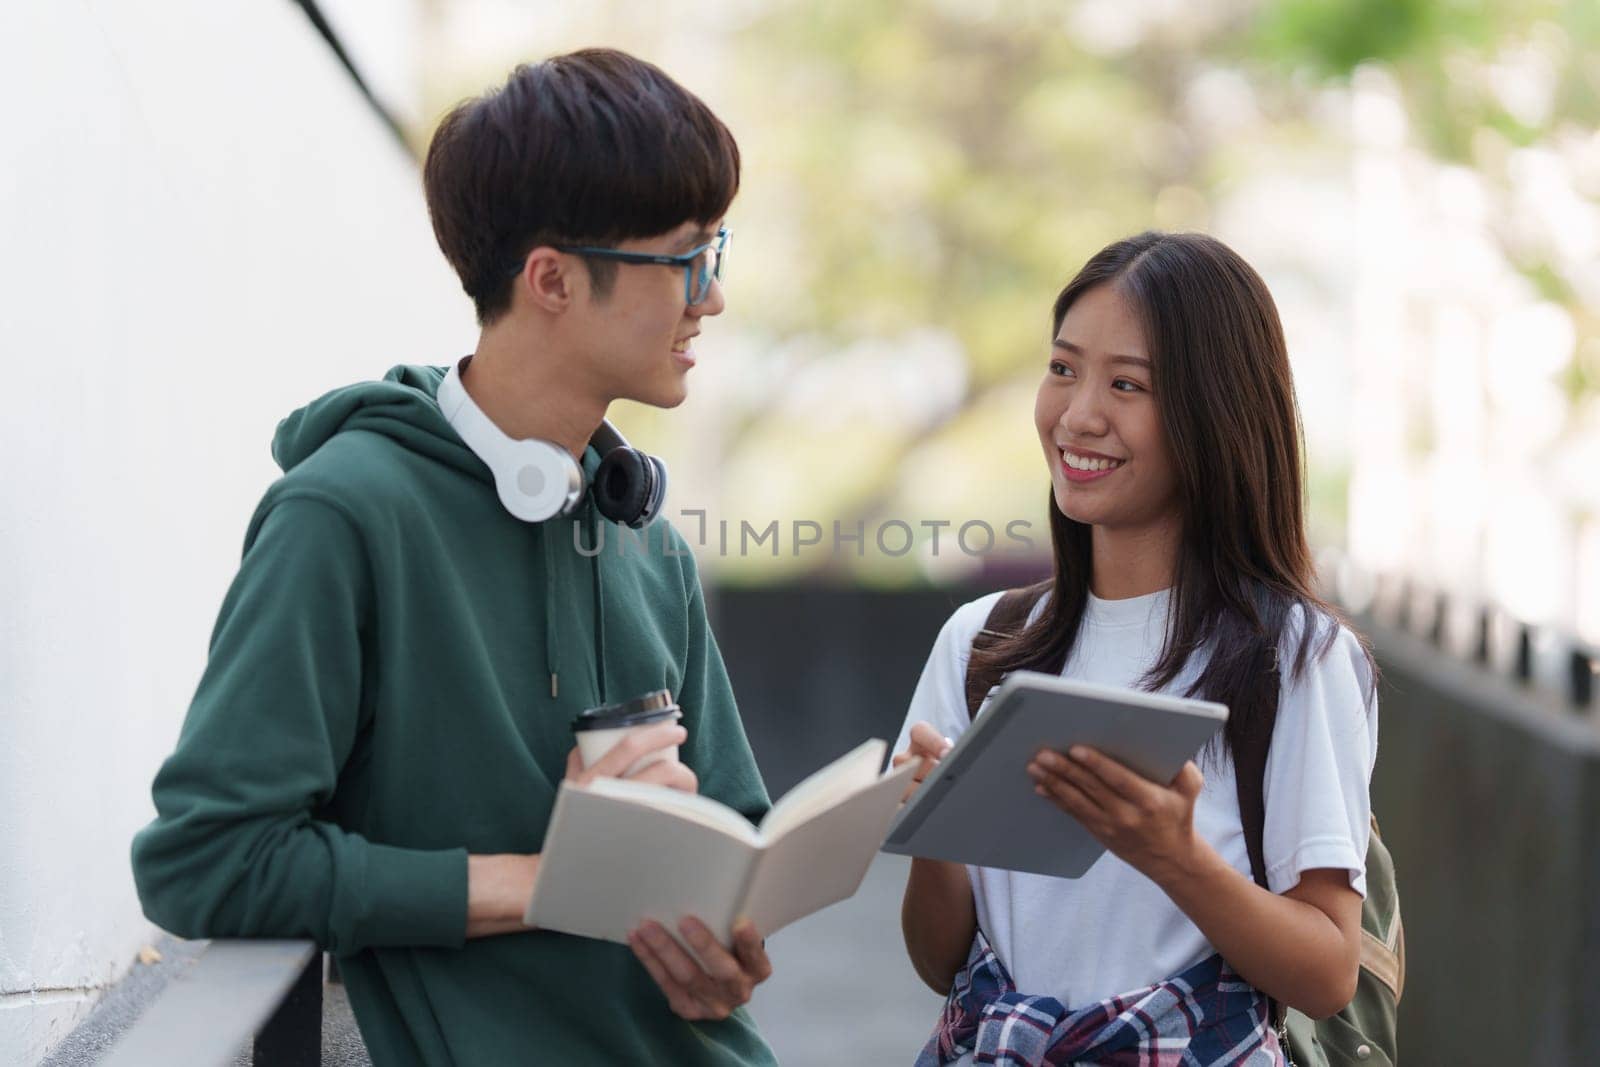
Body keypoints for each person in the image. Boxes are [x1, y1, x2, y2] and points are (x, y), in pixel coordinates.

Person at [131, 49, 779, 1066]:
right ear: (553, 279)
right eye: (686, 260)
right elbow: (210, 862)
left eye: (718, 253)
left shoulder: (645, 536)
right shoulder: (342, 515)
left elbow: (735, 830)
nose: (712, 298)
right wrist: (547, 877)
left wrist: (725, 946)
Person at [892, 231, 1378, 1066]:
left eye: (1127, 384)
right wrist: (936, 831)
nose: (1078, 415)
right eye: (1061, 368)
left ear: (1215, 412)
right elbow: (939, 960)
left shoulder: (1293, 656)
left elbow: (1329, 969)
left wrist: (1174, 858)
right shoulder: (982, 643)